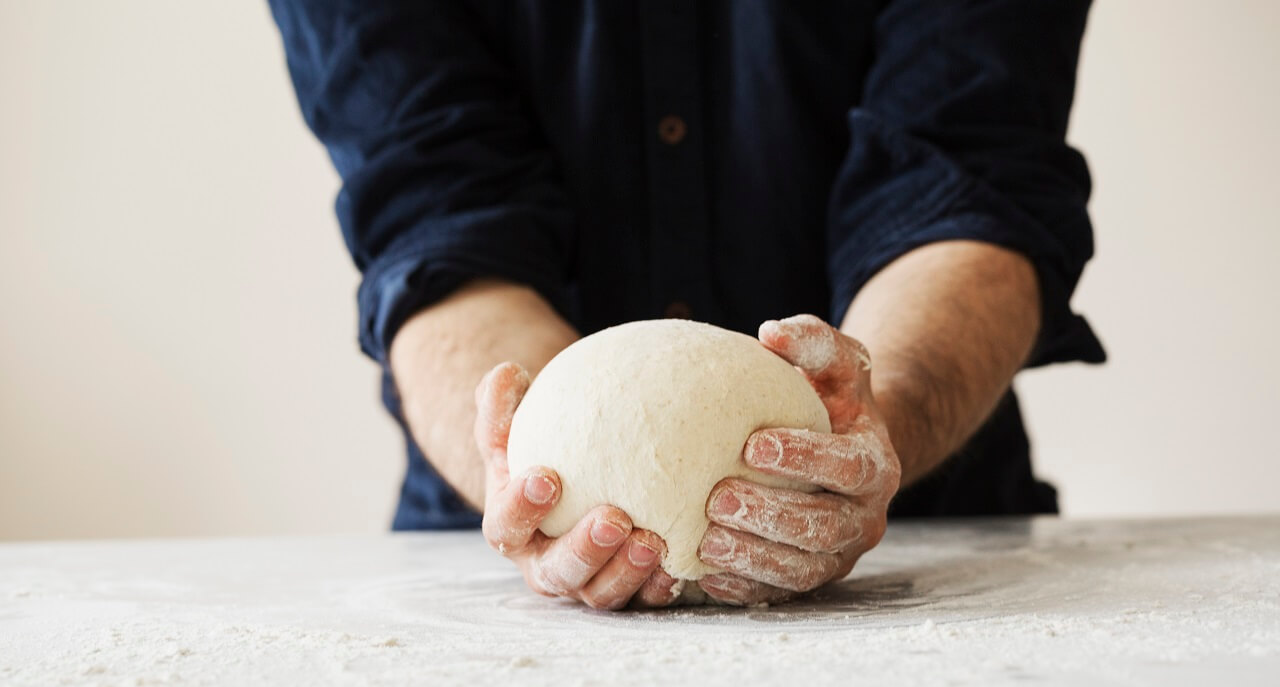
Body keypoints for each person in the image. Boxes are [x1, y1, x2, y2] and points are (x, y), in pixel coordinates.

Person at [268, 1, 1104, 609]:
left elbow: (972, 174)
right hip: (501, 580)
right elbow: (437, 211)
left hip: (927, 554)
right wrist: (527, 459)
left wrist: (878, 424)